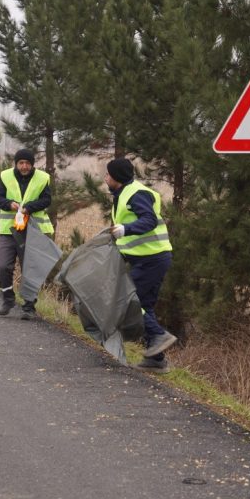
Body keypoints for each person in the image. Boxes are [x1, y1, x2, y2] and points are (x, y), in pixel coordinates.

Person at [105, 157, 176, 373]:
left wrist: (125, 229)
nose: (106, 178)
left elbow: (149, 220)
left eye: (108, 175)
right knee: (144, 303)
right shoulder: (123, 194)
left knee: (131, 300)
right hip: (146, 258)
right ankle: (157, 360)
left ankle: (158, 335)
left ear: (116, 177)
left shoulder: (136, 193)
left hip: (152, 258)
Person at [0, 148, 53, 320]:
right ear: (16, 164)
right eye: (21, 163)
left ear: (32, 164)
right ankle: (8, 299)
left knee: (30, 268)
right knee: (3, 266)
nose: (24, 166)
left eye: (27, 163)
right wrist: (9, 203)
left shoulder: (43, 178)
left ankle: (29, 306)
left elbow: (47, 200)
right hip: (8, 230)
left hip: (32, 231)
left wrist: (29, 208)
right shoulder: (5, 176)